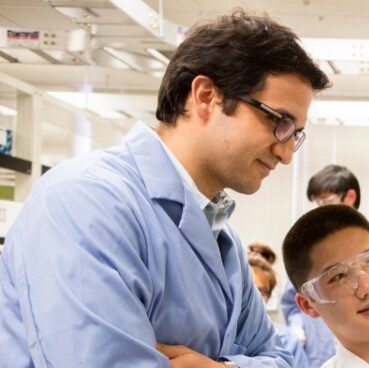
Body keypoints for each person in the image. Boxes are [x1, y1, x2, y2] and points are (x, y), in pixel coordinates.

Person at [0, 9, 330, 368]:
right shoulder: (85, 202)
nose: (285, 153)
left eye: (294, 135)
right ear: (205, 96)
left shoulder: (223, 239)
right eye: (280, 123)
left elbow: (283, 358)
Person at [281, 164, 360, 367]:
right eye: (338, 275)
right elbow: (291, 302)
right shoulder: (309, 253)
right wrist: (297, 327)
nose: (364, 286)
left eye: (326, 200)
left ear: (349, 197)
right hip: (320, 351)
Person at [248, 245, 309, 368]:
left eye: (262, 292)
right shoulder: (219, 337)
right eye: (248, 290)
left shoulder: (287, 341)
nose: (254, 298)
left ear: (269, 297)